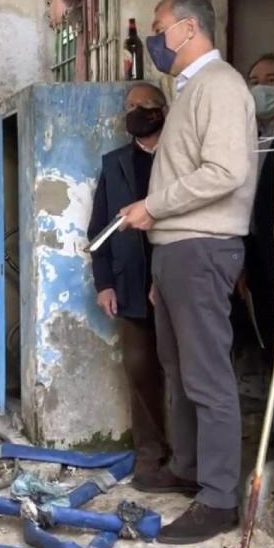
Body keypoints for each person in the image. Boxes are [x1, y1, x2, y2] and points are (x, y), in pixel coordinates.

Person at [118, 0, 258, 545]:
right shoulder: (192, 89)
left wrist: (153, 207)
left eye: (158, 27)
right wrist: (159, 265)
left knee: (206, 376)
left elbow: (224, 171)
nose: (153, 38)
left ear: (187, 29)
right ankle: (191, 469)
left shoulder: (221, 86)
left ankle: (220, 498)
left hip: (202, 247)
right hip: (178, 252)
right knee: (179, 368)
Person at [86, 82, 173, 491]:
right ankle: (150, 457)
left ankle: (189, 460)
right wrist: (104, 283)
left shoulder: (179, 159)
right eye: (128, 106)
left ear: (161, 112)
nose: (133, 112)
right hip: (131, 285)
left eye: (142, 106)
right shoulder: (116, 162)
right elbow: (99, 228)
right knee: (140, 371)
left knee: (184, 370)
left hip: (174, 281)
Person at [244, 53, 274, 368]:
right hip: (253, 245)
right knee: (264, 319)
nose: (262, 89)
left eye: (272, 81)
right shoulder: (250, 139)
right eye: (254, 82)